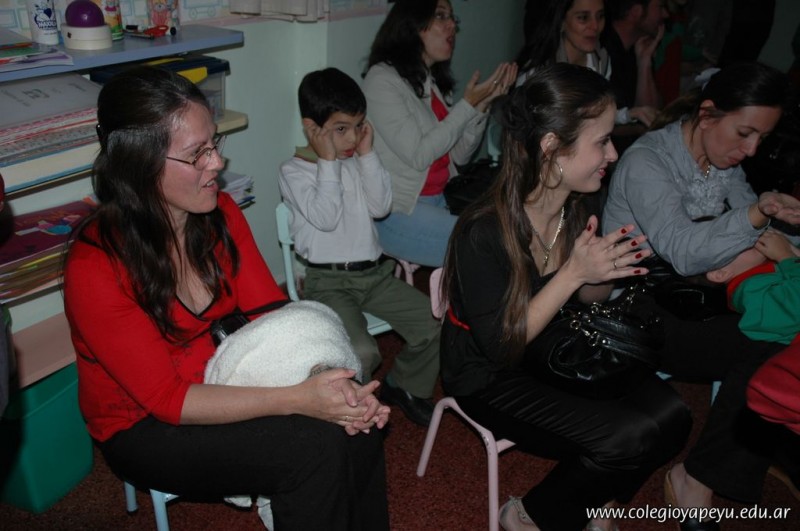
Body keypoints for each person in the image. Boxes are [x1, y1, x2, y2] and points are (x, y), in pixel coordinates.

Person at [63, 66, 390, 530]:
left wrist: (325, 379)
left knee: (355, 423)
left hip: (228, 373)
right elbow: (168, 400)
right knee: (314, 447)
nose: (217, 162)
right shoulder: (95, 267)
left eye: (214, 143)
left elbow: (269, 312)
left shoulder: (219, 213)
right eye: (197, 153)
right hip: (144, 425)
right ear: (138, 164)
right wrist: (298, 398)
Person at [439, 62, 691, 531]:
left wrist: (600, 271)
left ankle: (598, 498)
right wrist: (574, 272)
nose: (612, 154)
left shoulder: (580, 201)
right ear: (552, 147)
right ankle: (527, 515)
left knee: (674, 417)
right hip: (488, 375)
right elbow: (500, 347)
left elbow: (587, 298)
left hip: (554, 346)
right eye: (602, 141)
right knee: (628, 437)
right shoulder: (483, 231)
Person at [603, 62, 800, 529]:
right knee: (771, 339)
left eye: (761, 138)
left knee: (782, 327)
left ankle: (715, 467)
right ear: (707, 114)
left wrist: (778, 228)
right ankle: (701, 476)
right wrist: (758, 217)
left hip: (693, 296)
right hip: (637, 305)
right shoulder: (648, 161)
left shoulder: (720, 161)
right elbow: (686, 252)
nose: (751, 150)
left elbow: (760, 227)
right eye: (745, 133)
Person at [278, 67, 441, 427]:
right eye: (341, 129)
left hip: (375, 276)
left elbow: (381, 207)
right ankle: (353, 413)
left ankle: (405, 385)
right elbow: (326, 217)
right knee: (362, 352)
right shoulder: (294, 171)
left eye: (358, 126)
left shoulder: (356, 160)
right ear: (311, 128)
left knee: (434, 322)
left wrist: (367, 156)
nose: (352, 137)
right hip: (329, 283)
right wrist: (328, 162)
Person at [362, 0, 517, 267]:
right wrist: (467, 106)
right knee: (491, 244)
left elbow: (459, 156)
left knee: (509, 226)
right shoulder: (381, 80)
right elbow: (420, 155)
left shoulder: (428, 80)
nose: (452, 26)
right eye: (441, 16)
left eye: (453, 18)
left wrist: (481, 107)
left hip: (439, 200)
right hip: (399, 214)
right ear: (412, 25)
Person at [517, 0, 657, 126]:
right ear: (562, 21)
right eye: (583, 18)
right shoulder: (538, 72)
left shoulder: (600, 61)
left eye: (600, 16)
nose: (595, 26)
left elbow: (595, 112)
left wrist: (629, 114)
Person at [601, 0, 667, 113]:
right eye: (660, 7)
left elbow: (652, 112)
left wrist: (644, 63)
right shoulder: (601, 50)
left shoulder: (636, 49)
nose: (666, 14)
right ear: (636, 11)